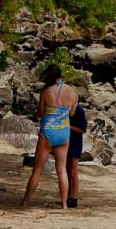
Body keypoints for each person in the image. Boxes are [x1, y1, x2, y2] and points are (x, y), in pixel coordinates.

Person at [21, 64, 76, 209]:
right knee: (62, 170)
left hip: (48, 131)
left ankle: (26, 201)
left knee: (37, 170)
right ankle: (64, 204)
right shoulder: (72, 92)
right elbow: (71, 113)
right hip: (64, 131)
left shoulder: (46, 92)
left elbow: (40, 112)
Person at [66, 103, 87, 208]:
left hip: (75, 142)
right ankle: (68, 196)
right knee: (67, 170)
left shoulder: (79, 110)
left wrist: (68, 127)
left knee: (73, 170)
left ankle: (74, 198)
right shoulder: (64, 107)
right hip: (66, 141)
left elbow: (83, 129)